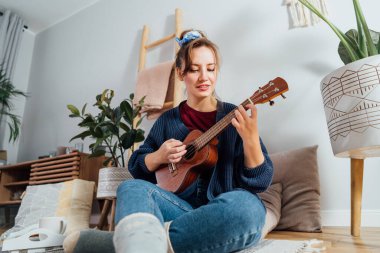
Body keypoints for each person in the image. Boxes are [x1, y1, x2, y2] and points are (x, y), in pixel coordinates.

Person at [113, 29, 273, 253]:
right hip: (178, 209)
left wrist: (251, 141)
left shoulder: (234, 115)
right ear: (180, 73)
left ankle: (141, 243)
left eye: (211, 68)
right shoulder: (168, 120)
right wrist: (159, 155)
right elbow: (137, 168)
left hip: (222, 212)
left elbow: (259, 183)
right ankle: (159, 241)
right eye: (194, 70)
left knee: (249, 208)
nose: (204, 77)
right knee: (131, 188)